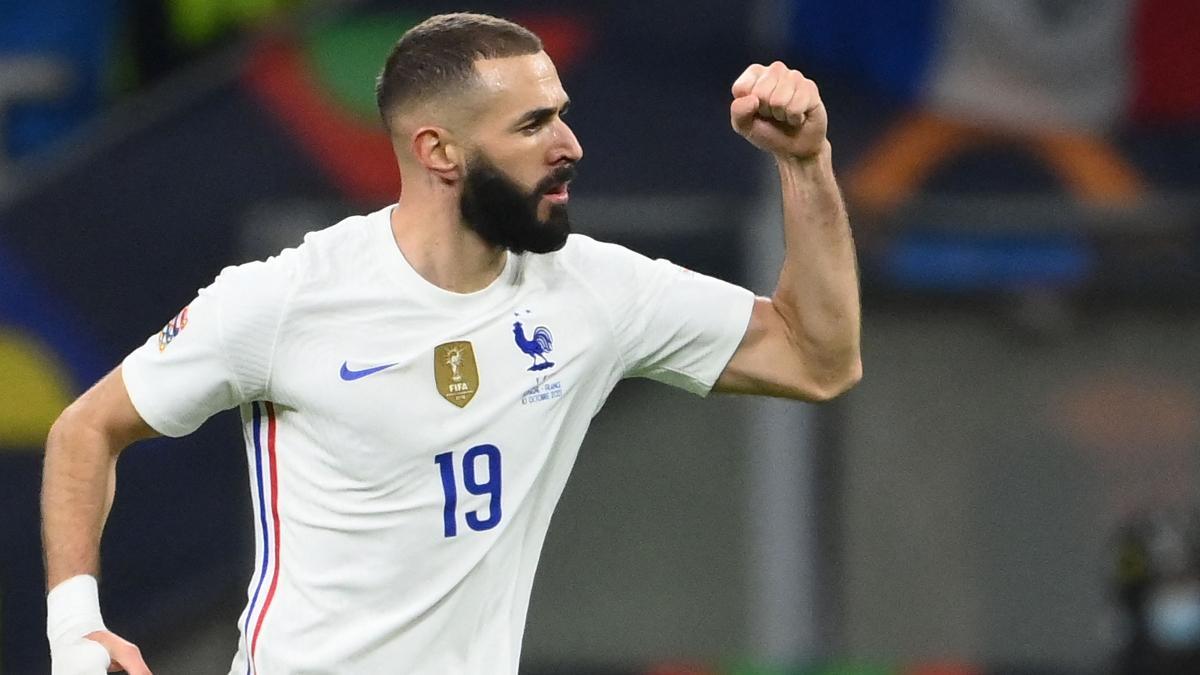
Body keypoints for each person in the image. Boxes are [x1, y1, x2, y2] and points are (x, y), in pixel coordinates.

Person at [40, 12, 861, 675]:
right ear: (439, 151)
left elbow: (815, 358)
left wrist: (807, 164)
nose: (570, 145)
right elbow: (87, 427)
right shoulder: (288, 299)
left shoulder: (595, 290)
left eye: (562, 114)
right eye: (534, 124)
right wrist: (75, 627)